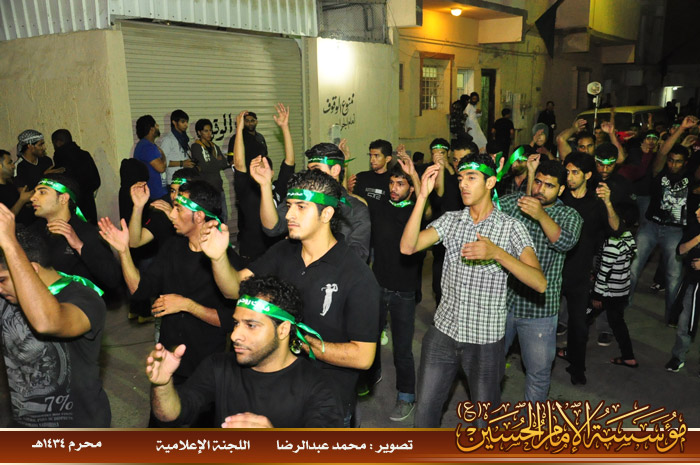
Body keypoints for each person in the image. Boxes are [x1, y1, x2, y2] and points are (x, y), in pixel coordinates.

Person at [198, 169, 380, 426]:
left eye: (301, 207)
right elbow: (233, 289)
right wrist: (218, 258)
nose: (289, 215)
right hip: (272, 388)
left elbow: (363, 357)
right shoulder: (283, 251)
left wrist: (301, 342)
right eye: (289, 205)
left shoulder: (356, 275)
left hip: (323, 403)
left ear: (326, 214)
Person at [400, 153, 546, 427]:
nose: (463, 184)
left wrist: (497, 253)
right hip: (443, 333)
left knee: (485, 421)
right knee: (425, 413)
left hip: (484, 341)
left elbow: (539, 282)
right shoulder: (451, 220)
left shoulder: (510, 227)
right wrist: (422, 197)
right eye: (460, 178)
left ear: (490, 182)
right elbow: (408, 247)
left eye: (471, 177)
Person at [98, 180, 244, 388]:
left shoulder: (227, 264)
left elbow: (230, 321)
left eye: (178, 209)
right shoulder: (172, 248)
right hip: (167, 360)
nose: (172, 215)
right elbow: (140, 290)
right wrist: (124, 251)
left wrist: (187, 305)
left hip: (205, 366)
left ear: (199, 216)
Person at [147, 275, 343, 428]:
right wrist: (162, 385)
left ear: (283, 330)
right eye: (236, 323)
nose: (234, 336)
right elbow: (172, 415)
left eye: (251, 325)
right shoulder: (218, 367)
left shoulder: (317, 386)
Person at [0, 206, 110, 427]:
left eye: (2, 280)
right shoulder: (7, 298)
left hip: (79, 427)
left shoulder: (85, 298)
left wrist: (10, 244)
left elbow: (47, 322)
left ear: (31, 270)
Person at [501, 158, 582, 403]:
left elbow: (565, 242)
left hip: (540, 310)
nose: (540, 189)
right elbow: (487, 208)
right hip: (504, 302)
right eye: (537, 182)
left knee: (537, 373)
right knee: (490, 364)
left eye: (549, 185)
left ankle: (532, 423)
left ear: (561, 189)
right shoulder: (517, 203)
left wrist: (541, 215)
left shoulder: (569, 214)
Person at [556, 151, 634, 385]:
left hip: (580, 275)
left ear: (588, 175)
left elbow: (617, 229)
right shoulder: (560, 197)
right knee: (545, 321)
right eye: (567, 171)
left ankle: (577, 368)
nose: (569, 177)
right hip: (554, 270)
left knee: (579, 326)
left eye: (575, 172)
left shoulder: (596, 202)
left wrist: (608, 202)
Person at [364, 159, 424, 421]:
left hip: (404, 291)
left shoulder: (415, 212)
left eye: (400, 183)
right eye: (391, 182)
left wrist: (416, 177)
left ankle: (406, 396)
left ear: (410, 188)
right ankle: (371, 374)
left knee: (402, 349)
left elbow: (425, 202)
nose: (394, 187)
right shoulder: (380, 207)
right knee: (370, 338)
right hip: (378, 286)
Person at [628, 117, 697, 325]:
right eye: (671, 160)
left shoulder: (691, 179)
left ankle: (671, 316)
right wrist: (682, 128)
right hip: (651, 226)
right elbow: (662, 153)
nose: (673, 164)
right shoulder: (659, 173)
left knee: (673, 276)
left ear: (685, 163)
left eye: (678, 161)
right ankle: (620, 308)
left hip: (674, 231)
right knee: (633, 268)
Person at [256, 141, 370, 262]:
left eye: (316, 169)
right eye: (309, 170)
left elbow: (358, 256)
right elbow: (272, 228)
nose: (311, 175)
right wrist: (265, 185)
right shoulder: (299, 199)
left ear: (335, 170)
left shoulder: (356, 209)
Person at [29, 173, 120, 292]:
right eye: (34, 192)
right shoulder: (33, 231)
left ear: (63, 198)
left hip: (78, 301)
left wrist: (78, 245)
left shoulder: (87, 233)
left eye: (42, 192)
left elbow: (113, 279)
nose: (32, 198)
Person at [233, 105, 295, 262]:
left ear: (272, 173)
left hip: (277, 254)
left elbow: (289, 161)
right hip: (252, 255)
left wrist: (285, 128)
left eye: (264, 166)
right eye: (256, 167)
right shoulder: (246, 190)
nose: (260, 169)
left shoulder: (278, 189)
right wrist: (239, 130)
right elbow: (239, 163)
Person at [590, 227, 638, 369]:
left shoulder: (612, 243)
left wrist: (597, 295)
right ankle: (629, 357)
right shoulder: (627, 235)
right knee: (618, 324)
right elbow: (633, 251)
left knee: (582, 319)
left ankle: (572, 352)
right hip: (621, 290)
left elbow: (604, 272)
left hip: (607, 292)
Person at [665, 206, 700, 373]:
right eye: (698, 208)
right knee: (683, 323)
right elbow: (680, 250)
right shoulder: (695, 228)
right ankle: (678, 357)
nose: (697, 212)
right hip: (692, 283)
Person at [51, 129, 101, 225]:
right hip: (88, 205)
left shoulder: (60, 156)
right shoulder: (85, 155)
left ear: (58, 142)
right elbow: (96, 181)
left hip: (70, 208)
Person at [190, 118, 230, 223]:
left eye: (210, 131)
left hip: (218, 188)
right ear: (199, 132)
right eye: (206, 131)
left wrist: (214, 162)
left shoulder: (214, 146)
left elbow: (224, 164)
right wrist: (217, 160)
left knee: (223, 217)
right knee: (210, 219)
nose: (209, 133)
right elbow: (204, 167)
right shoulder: (196, 147)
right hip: (206, 191)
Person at [349, 139, 393, 209]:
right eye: (370, 155)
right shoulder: (361, 177)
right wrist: (349, 190)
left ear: (387, 159)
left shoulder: (392, 181)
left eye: (376, 156)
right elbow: (351, 203)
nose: (372, 160)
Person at [133, 115, 167, 200]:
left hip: (156, 193)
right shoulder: (147, 146)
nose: (158, 126)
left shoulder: (147, 145)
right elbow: (161, 168)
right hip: (155, 194)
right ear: (152, 129)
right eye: (156, 125)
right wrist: (163, 156)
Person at [160, 109, 196, 184]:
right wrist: (182, 163)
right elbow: (162, 161)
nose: (186, 125)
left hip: (185, 177)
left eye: (186, 122)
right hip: (174, 180)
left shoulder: (185, 138)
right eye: (183, 122)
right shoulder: (168, 139)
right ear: (174, 122)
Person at [0, 150, 34, 225]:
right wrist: (21, 201)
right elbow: (3, 220)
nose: (13, 166)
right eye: (9, 163)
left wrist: (27, 202)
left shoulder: (10, 184)